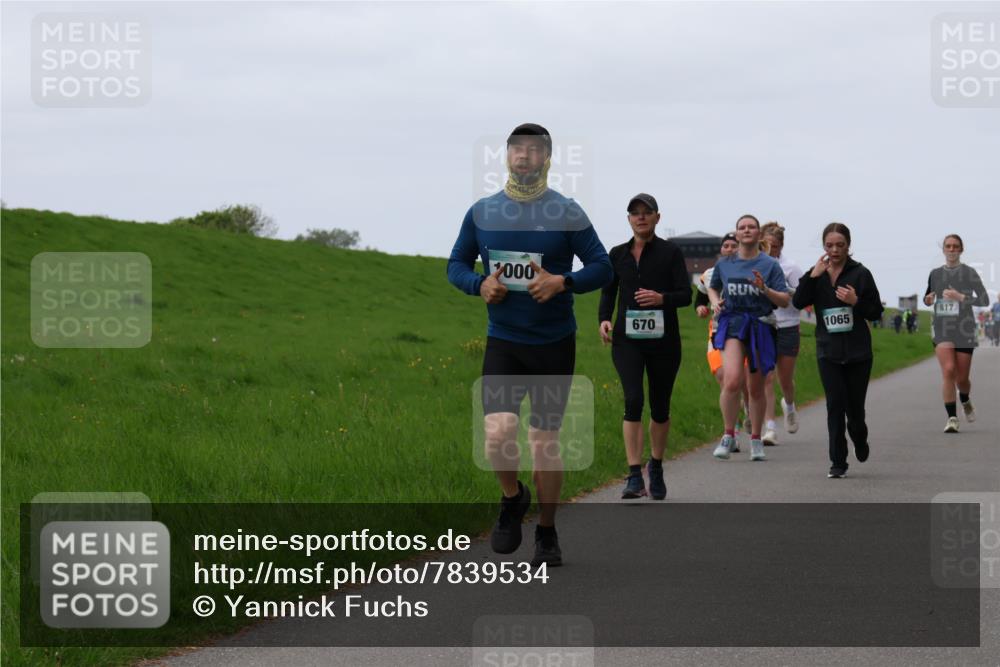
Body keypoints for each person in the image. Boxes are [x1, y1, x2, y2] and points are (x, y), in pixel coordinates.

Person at [448, 123, 612, 567]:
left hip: (553, 344)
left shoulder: (567, 212)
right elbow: (456, 264)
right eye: (516, 148)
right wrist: (480, 284)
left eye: (534, 150)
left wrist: (564, 282)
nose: (524, 155)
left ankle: (547, 531)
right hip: (504, 341)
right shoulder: (483, 212)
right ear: (506, 156)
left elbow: (602, 266)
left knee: (544, 442)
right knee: (498, 432)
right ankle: (512, 497)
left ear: (547, 159)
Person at [598, 193, 692, 500]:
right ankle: (634, 474)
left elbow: (686, 295)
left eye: (646, 212)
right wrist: (604, 319)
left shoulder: (671, 252)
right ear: (629, 219)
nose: (641, 217)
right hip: (627, 341)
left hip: (664, 342)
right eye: (635, 213)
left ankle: (657, 466)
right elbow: (608, 292)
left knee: (660, 407)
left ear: (657, 217)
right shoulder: (617, 254)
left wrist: (661, 298)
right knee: (633, 400)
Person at [793, 223, 883, 478]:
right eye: (829, 245)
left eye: (840, 245)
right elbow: (798, 302)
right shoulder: (816, 274)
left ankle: (859, 437)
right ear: (824, 246)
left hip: (858, 353)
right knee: (835, 406)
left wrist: (856, 302)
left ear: (848, 246)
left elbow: (876, 312)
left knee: (855, 411)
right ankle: (838, 462)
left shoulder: (861, 274)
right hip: (828, 351)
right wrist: (813, 277)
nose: (834, 250)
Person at [707, 214, 790, 462]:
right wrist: (715, 302)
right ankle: (728, 435)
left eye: (751, 227)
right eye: (742, 227)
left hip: (760, 325)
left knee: (755, 387)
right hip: (732, 323)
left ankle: (756, 439)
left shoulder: (769, 265)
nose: (746, 230)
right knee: (732, 380)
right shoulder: (725, 264)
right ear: (737, 233)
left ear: (758, 233)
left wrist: (764, 289)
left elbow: (784, 300)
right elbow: (712, 286)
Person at [924, 234, 990, 434]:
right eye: (948, 246)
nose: (951, 250)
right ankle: (952, 418)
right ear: (943, 249)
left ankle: (965, 399)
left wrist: (961, 297)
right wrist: (928, 299)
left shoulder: (969, 272)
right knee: (948, 370)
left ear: (961, 249)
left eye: (955, 246)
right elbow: (928, 297)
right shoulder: (935, 274)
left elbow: (984, 300)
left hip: (964, 328)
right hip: (942, 327)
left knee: (962, 379)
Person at [759, 222, 803, 445]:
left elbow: (803, 298)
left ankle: (789, 405)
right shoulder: (755, 264)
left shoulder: (791, 267)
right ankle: (770, 429)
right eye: (765, 245)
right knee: (766, 377)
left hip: (788, 325)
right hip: (764, 324)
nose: (770, 250)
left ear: (781, 246)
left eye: (774, 246)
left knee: (785, 380)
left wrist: (784, 290)